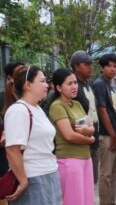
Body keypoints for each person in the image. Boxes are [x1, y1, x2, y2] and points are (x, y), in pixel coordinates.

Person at [4, 66, 61, 204]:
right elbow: (12, 149)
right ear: (28, 85)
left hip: (49, 172)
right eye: (42, 81)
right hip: (33, 177)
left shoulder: (37, 109)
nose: (47, 85)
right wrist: (23, 181)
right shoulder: (18, 110)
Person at [48, 68, 95, 205]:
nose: (74, 86)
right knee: (74, 201)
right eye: (69, 84)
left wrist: (88, 130)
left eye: (75, 82)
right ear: (58, 87)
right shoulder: (57, 106)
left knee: (87, 200)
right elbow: (69, 135)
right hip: (70, 160)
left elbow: (91, 127)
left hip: (86, 158)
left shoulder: (77, 104)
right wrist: (89, 139)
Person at [93, 53, 116, 205]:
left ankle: (112, 201)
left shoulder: (113, 84)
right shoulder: (99, 84)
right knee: (106, 174)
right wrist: (112, 135)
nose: (112, 69)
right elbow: (102, 110)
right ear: (102, 68)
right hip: (106, 134)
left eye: (115, 66)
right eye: (109, 66)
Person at [70, 50, 100, 184]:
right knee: (81, 180)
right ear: (76, 66)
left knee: (92, 179)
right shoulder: (71, 85)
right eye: (86, 64)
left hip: (94, 135)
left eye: (91, 64)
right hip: (80, 137)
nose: (90, 67)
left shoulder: (89, 83)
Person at [0, 62, 24, 180]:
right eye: (20, 72)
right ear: (10, 77)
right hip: (9, 150)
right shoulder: (3, 97)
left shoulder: (29, 96)